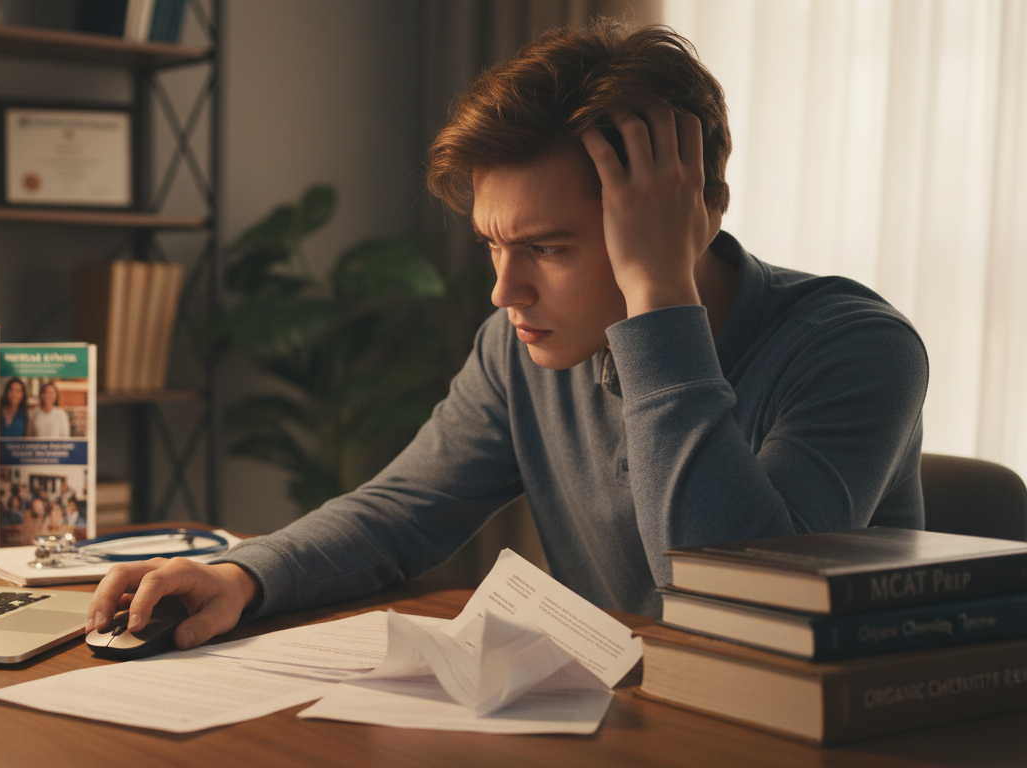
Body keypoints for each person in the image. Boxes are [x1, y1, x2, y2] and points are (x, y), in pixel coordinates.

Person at [88, 22, 927, 651]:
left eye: (548, 248)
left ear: (692, 219)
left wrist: (659, 300)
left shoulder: (857, 350)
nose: (505, 289)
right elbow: (398, 515)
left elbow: (739, 607)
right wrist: (245, 573)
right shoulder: (521, 346)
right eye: (495, 243)